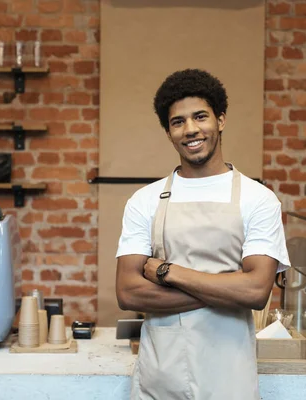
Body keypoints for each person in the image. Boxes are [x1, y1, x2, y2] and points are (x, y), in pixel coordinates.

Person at [115, 69, 291, 400]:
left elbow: (255, 292)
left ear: (220, 120)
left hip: (230, 379)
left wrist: (168, 272)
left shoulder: (258, 199)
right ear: (168, 132)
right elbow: (129, 293)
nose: (191, 129)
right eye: (178, 122)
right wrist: (226, 288)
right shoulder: (145, 201)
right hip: (162, 377)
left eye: (200, 117)